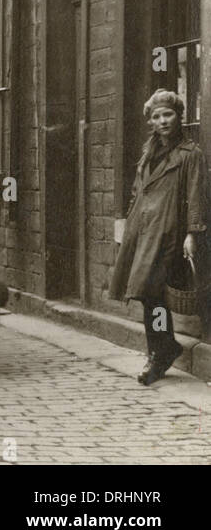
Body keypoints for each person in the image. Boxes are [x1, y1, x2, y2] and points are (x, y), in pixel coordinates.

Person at [109, 88, 207, 385]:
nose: (163, 121)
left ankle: (160, 352)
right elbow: (138, 191)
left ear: (179, 117)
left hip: (169, 232)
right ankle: (163, 348)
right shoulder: (147, 152)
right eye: (157, 116)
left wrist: (192, 233)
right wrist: (126, 224)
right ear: (150, 122)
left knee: (152, 292)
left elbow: (196, 195)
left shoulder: (191, 155)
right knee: (148, 294)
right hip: (143, 229)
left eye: (168, 115)